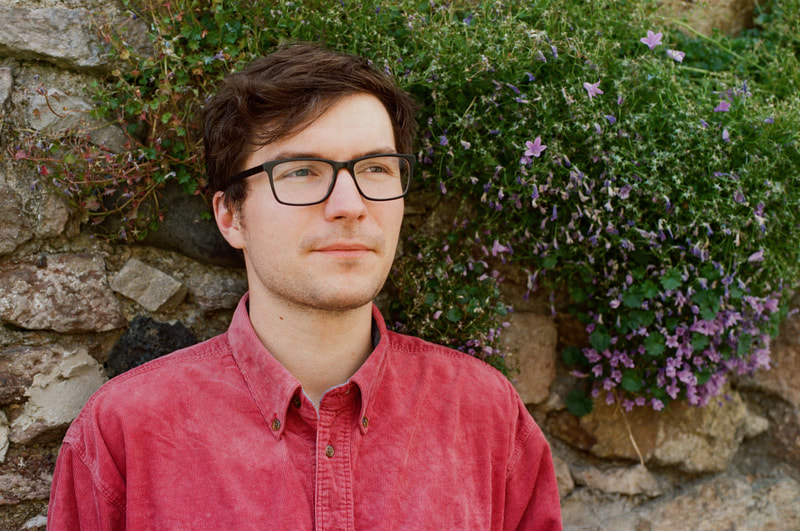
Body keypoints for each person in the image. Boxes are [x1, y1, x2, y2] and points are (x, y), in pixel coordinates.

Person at [47, 42, 562, 530]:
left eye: (376, 168)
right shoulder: (126, 433)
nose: (350, 205)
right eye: (301, 172)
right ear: (231, 216)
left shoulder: (486, 417)